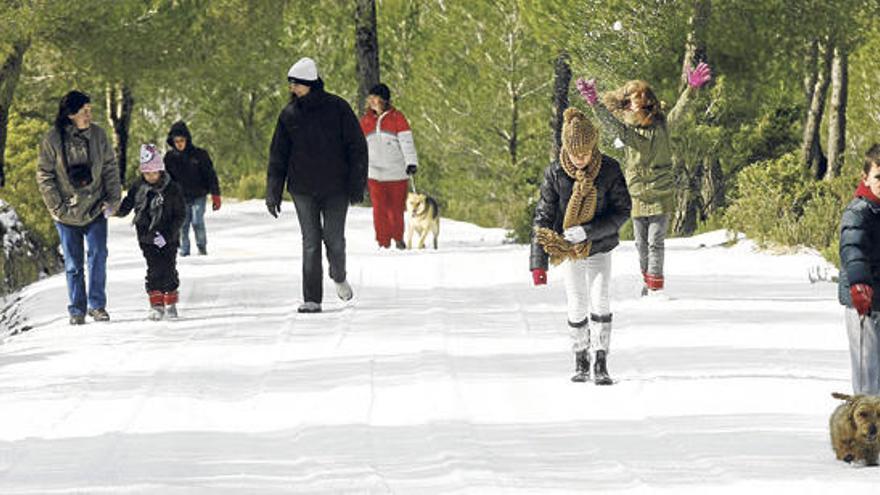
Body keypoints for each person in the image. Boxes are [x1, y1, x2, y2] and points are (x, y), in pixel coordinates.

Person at [576, 62, 712, 295]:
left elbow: (681, 109)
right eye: (630, 98)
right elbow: (609, 124)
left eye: (637, 96)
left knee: (655, 242)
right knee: (641, 245)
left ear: (648, 99)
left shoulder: (663, 125)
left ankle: (655, 287)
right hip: (637, 193)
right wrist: (594, 102)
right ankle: (647, 282)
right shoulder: (628, 132)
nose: (633, 100)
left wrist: (691, 89)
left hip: (661, 192)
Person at [531, 107, 631, 384]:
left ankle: (600, 360)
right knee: (576, 302)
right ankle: (580, 357)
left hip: (598, 246)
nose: (580, 159)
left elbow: (622, 211)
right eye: (575, 154)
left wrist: (588, 231)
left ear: (593, 147)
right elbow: (543, 218)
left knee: (600, 297)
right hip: (567, 250)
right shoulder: (555, 174)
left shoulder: (609, 170)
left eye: (585, 154)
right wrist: (538, 263)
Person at [265, 56, 368, 313]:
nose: (292, 89)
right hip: (302, 188)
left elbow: (357, 147)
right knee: (310, 241)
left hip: (336, 187)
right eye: (290, 84)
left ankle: (339, 275)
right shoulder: (289, 115)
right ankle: (312, 298)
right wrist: (273, 191)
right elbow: (278, 155)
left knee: (334, 239)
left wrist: (357, 185)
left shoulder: (338, 108)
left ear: (311, 83)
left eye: (297, 84)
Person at [36, 90, 122, 325]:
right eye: (84, 111)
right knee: (73, 264)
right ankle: (77, 309)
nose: (89, 115)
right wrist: (57, 206)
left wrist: (114, 200)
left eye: (90, 110)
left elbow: (110, 168)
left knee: (98, 256)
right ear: (71, 114)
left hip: (96, 208)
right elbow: (44, 175)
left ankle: (97, 306)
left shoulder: (99, 135)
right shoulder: (52, 139)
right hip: (66, 213)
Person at [116, 144, 186, 321]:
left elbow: (180, 214)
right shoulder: (138, 187)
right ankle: (156, 304)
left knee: (168, 268)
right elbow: (128, 204)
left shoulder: (172, 188)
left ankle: (170, 301)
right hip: (147, 237)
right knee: (154, 269)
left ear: (161, 170)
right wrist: (115, 210)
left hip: (168, 237)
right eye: (147, 173)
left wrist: (168, 235)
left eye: (154, 173)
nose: (151, 177)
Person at [838, 144, 880, 395]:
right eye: (878, 177)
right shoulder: (858, 212)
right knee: (868, 380)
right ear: (865, 178)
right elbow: (852, 249)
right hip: (863, 305)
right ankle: (865, 433)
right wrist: (859, 283)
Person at [360, 83, 419, 249]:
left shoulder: (397, 118)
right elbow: (358, 146)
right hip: (374, 173)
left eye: (375, 97)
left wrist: (411, 162)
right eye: (369, 97)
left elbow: (407, 142)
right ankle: (383, 242)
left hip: (397, 173)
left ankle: (398, 238)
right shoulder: (365, 121)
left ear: (384, 99)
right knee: (379, 209)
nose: (371, 100)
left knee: (396, 209)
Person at [163, 121, 221, 256]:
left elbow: (211, 175)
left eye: (182, 140)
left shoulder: (200, 155)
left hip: (198, 195)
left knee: (197, 221)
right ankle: (184, 251)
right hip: (180, 197)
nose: (179, 144)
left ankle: (202, 248)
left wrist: (215, 195)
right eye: (176, 141)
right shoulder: (169, 158)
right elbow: (166, 180)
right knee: (182, 225)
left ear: (187, 139)